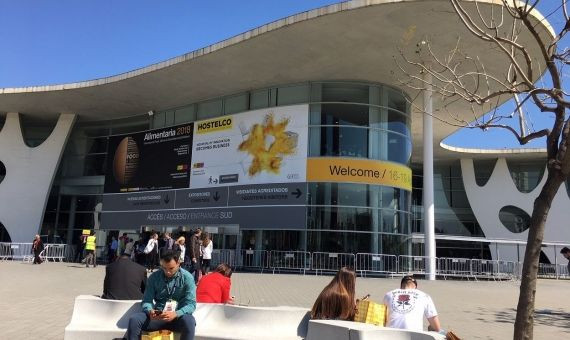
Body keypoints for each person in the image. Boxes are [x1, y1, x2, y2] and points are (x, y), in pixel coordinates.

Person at [126, 250, 196, 340]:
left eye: (171, 268)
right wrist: (150, 310)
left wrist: (176, 313)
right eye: (164, 268)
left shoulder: (187, 278)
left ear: (178, 263)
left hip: (178, 317)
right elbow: (147, 300)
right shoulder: (154, 277)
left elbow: (191, 304)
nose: (167, 272)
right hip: (158, 317)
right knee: (134, 320)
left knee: (189, 321)